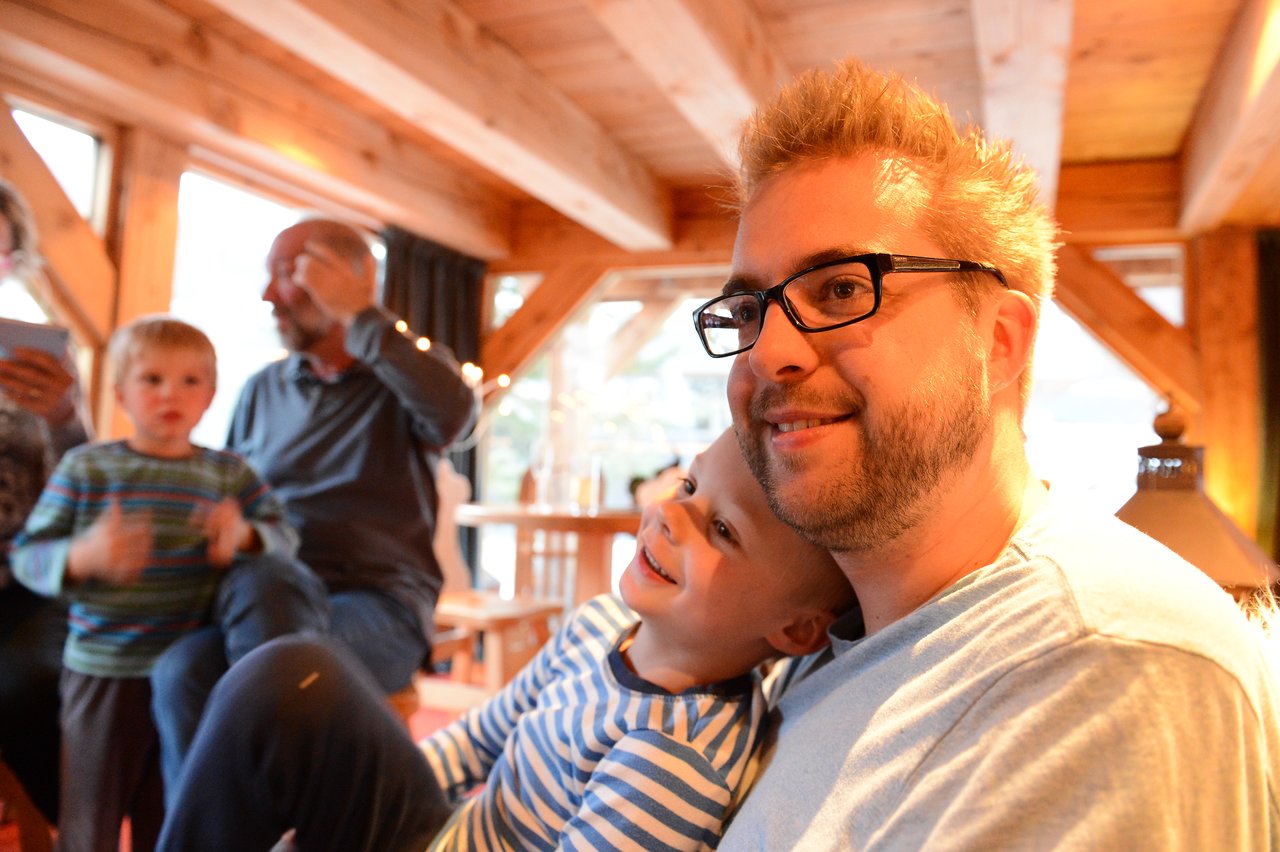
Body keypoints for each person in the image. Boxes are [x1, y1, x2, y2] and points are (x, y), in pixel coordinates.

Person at [688, 58, 1280, 848]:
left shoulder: (1103, 670)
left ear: (998, 343)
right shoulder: (827, 626)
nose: (768, 352)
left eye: (840, 289)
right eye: (748, 308)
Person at [156, 427, 855, 850]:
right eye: (688, 486)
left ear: (794, 629)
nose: (673, 517)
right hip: (443, 835)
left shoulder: (672, 758)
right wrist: (345, 801)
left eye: (723, 530)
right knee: (294, 676)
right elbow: (479, 739)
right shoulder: (598, 626)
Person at [149, 218, 479, 796]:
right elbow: (229, 493)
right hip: (262, 597)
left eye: (292, 273)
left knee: (280, 672)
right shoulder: (262, 390)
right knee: (180, 672)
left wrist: (361, 314)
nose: (268, 294)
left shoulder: (400, 382)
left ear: (353, 281)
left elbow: (455, 414)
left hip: (376, 606)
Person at [10, 316, 310, 852]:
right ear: (121, 393)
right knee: (88, 819)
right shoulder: (88, 469)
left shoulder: (230, 475)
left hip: (185, 679)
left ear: (210, 396)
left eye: (189, 381)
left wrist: (243, 535)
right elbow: (29, 557)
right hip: (102, 672)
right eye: (152, 380)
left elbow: (284, 539)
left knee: (171, 811)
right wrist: (84, 555)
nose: (171, 393)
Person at [0, 177, 89, 825]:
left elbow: (86, 484)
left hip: (28, 580)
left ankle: (72, 830)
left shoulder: (40, 359)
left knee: (30, 683)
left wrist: (63, 419)